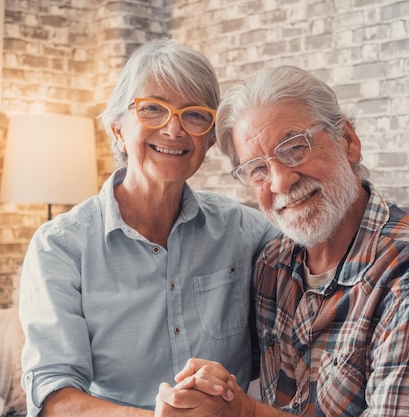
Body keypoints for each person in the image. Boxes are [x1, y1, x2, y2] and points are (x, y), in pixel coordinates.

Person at [155, 65, 409, 416]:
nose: (280, 182)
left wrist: (244, 413)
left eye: (295, 148)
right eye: (258, 169)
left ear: (348, 140)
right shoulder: (272, 263)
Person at [18, 38, 279, 417]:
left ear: (208, 140)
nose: (174, 129)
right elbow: (55, 398)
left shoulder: (245, 230)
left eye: (194, 115)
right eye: (153, 109)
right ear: (118, 130)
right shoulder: (58, 247)